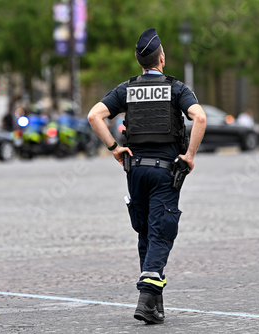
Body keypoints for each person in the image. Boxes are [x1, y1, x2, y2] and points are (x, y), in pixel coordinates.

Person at [87, 28, 206, 324]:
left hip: (135, 169)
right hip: (166, 171)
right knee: (161, 231)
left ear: (140, 62)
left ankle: (154, 306)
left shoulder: (127, 90)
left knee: (146, 232)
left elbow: (94, 116)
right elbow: (200, 118)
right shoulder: (176, 88)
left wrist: (115, 148)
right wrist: (189, 156)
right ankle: (146, 294)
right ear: (162, 59)